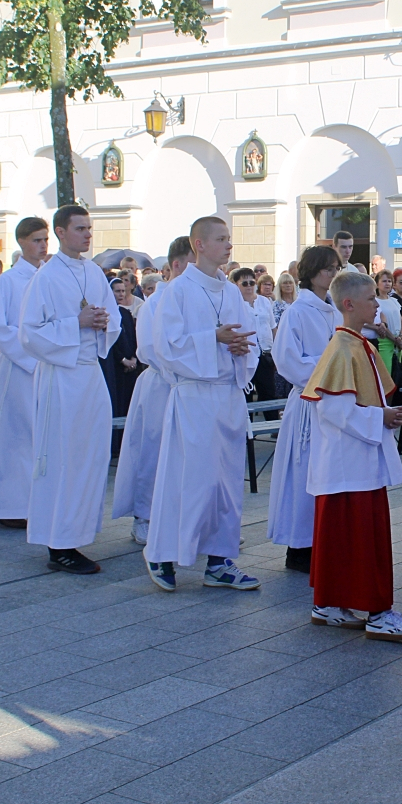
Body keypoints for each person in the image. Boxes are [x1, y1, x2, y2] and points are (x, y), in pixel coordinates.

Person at [303, 271, 402, 641]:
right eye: (371, 299)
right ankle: (378, 612)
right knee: (361, 540)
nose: (377, 305)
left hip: (353, 460)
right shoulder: (343, 347)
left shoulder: (358, 344)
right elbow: (332, 408)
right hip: (349, 462)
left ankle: (330, 604)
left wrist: (383, 413)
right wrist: (379, 417)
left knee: (344, 539)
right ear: (349, 304)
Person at [145, 217, 262, 592]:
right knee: (188, 480)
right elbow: (166, 347)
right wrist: (213, 338)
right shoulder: (178, 290)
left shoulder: (231, 292)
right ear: (199, 244)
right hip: (195, 395)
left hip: (227, 394)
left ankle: (219, 561)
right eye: (221, 239)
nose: (229, 245)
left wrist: (241, 349)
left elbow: (249, 339)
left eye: (229, 238)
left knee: (224, 484)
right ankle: (161, 554)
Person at [20, 206, 120, 574]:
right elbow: (29, 333)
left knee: (91, 456)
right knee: (63, 458)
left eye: (89, 228)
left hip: (90, 373)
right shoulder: (46, 277)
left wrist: (104, 323)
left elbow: (113, 317)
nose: (87, 234)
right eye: (80, 228)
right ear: (60, 233)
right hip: (61, 376)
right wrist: (74, 323)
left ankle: (77, 532)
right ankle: (58, 544)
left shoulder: (93, 272)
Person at [265, 246, 343, 572]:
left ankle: (323, 542)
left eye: (336, 268)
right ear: (311, 273)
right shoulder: (297, 312)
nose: (333, 274)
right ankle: (299, 548)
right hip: (308, 403)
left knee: (326, 474)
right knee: (302, 476)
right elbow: (286, 360)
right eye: (327, 268)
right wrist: (329, 367)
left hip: (334, 403)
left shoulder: (336, 311)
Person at [113, 237, 194, 545]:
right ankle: (144, 516)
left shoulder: (196, 298)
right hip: (162, 384)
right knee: (152, 451)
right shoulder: (154, 304)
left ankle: (186, 515)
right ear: (176, 266)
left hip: (190, 387)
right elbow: (149, 348)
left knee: (186, 454)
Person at [0, 217, 49, 530]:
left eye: (45, 239)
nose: (43, 246)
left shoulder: (48, 278)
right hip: (17, 367)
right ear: (22, 242)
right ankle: (9, 506)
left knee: (39, 437)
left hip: (46, 366)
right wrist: (30, 355)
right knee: (13, 437)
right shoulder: (8, 281)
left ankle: (36, 503)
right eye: (36, 240)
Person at [233, 267, 279, 408]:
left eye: (252, 283)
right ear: (237, 285)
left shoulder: (264, 301)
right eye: (244, 283)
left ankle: (272, 422)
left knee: (269, 393)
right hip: (246, 355)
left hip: (266, 354)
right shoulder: (234, 304)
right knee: (246, 395)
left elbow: (273, 327)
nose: (249, 286)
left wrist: (276, 351)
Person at [102, 277, 141, 441]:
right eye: (117, 291)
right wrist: (122, 359)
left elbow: (133, 337)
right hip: (115, 367)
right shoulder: (106, 314)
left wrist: (133, 358)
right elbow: (110, 341)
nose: (121, 294)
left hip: (129, 368)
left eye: (123, 291)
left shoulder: (125, 313)